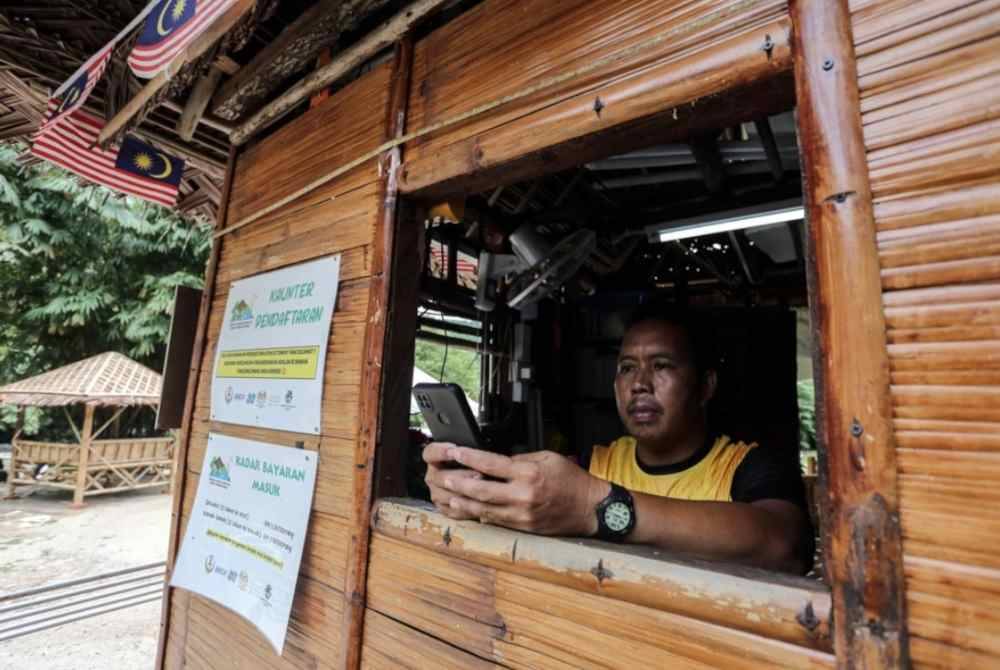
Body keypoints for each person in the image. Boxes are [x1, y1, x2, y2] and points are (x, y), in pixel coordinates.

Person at [423, 304, 813, 574]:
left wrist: (598, 507)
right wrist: (474, 493)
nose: (640, 384)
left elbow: (784, 547)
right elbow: (539, 503)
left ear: (705, 386)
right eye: (627, 368)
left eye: (661, 366)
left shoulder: (748, 465)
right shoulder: (597, 463)